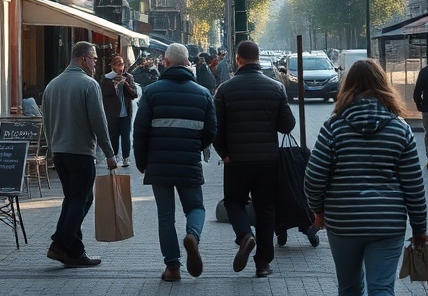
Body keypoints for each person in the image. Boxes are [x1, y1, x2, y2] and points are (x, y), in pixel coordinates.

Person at [304, 59, 428, 296]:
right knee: (382, 288)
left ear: (347, 86)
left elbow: (313, 177)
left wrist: (318, 211)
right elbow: (414, 185)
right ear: (383, 84)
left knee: (349, 287)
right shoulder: (400, 129)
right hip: (387, 222)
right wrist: (419, 227)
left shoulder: (334, 127)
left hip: (343, 221)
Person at [133, 43, 216, 283]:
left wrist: (142, 162)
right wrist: (194, 147)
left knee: (165, 217)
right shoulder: (202, 93)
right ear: (187, 62)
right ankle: (193, 234)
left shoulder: (151, 92)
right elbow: (211, 131)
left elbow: (140, 131)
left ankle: (172, 267)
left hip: (159, 164)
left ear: (166, 62)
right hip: (189, 161)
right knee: (196, 207)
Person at [213, 40, 295, 278]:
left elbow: (216, 128)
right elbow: (287, 125)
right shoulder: (275, 87)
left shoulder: (225, 90)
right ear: (258, 59)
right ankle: (263, 264)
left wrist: (224, 154)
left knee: (234, 202)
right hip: (267, 161)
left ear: (237, 59)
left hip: (236, 160)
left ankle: (244, 235)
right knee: (265, 209)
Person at [42, 41, 118, 268]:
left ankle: (75, 252)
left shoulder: (52, 85)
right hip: (81, 152)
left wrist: (51, 147)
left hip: (60, 152)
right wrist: (109, 153)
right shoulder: (88, 84)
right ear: (83, 58)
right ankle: (60, 243)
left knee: (76, 198)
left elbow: (45, 120)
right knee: (80, 199)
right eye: (94, 59)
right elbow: (99, 122)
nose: (96, 63)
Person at [100, 54, 138, 167]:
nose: (119, 67)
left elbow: (134, 94)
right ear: (112, 66)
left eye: (121, 64)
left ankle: (126, 157)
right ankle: (115, 155)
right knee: (113, 135)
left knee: (126, 135)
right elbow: (104, 93)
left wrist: (125, 84)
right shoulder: (106, 78)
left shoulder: (129, 77)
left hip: (125, 112)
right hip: (112, 113)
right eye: (116, 64)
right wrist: (114, 85)